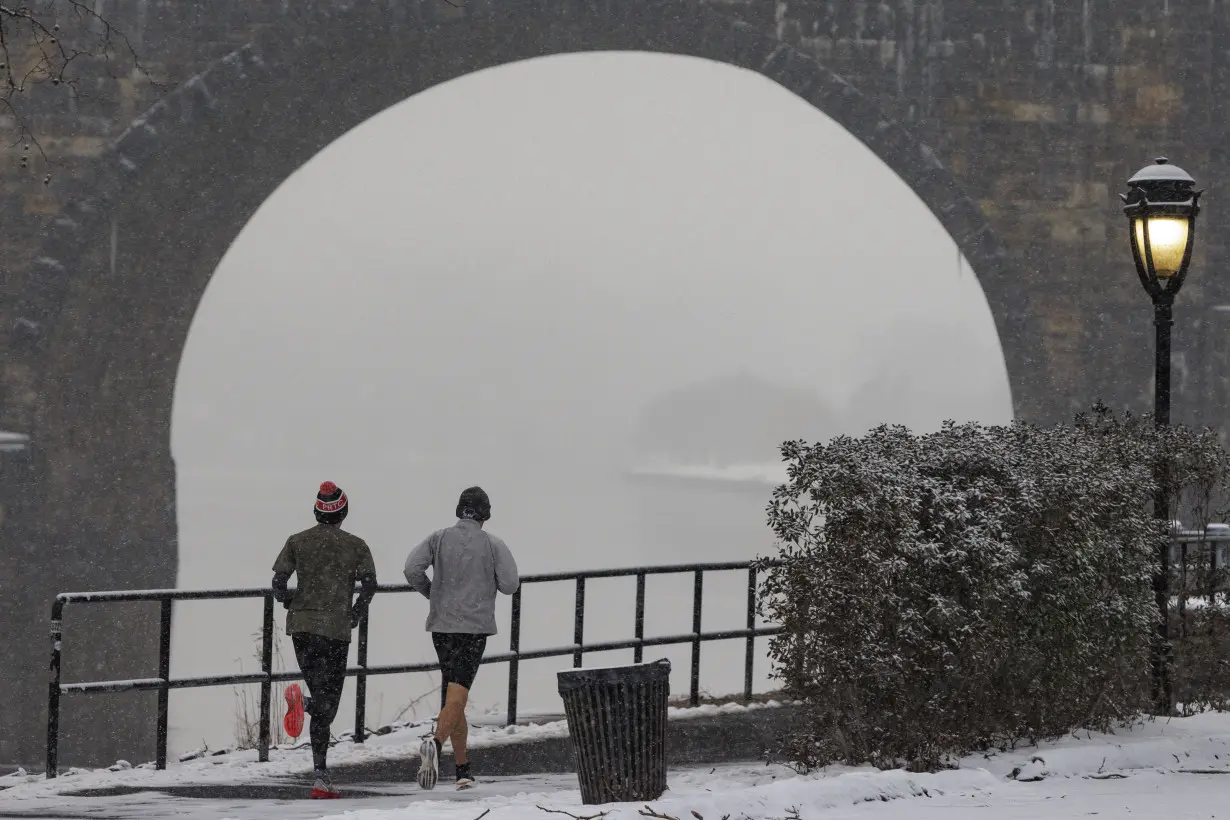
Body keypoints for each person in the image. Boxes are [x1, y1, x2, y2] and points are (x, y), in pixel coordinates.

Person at [403, 486, 520, 791]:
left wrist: (434, 594)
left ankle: (462, 769)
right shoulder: (493, 544)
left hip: (442, 627)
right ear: (485, 514)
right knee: (459, 695)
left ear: (459, 510)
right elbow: (510, 585)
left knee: (454, 696)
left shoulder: (438, 537)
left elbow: (411, 569)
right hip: (474, 629)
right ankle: (435, 741)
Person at [272, 481, 378, 800]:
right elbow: (370, 584)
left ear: (317, 512)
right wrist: (355, 613)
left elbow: (278, 581)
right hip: (335, 630)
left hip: (302, 628)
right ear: (343, 512)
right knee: (328, 704)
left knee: (320, 695)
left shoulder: (297, 541)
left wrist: (290, 602)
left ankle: (304, 705)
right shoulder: (355, 545)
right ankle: (320, 778)